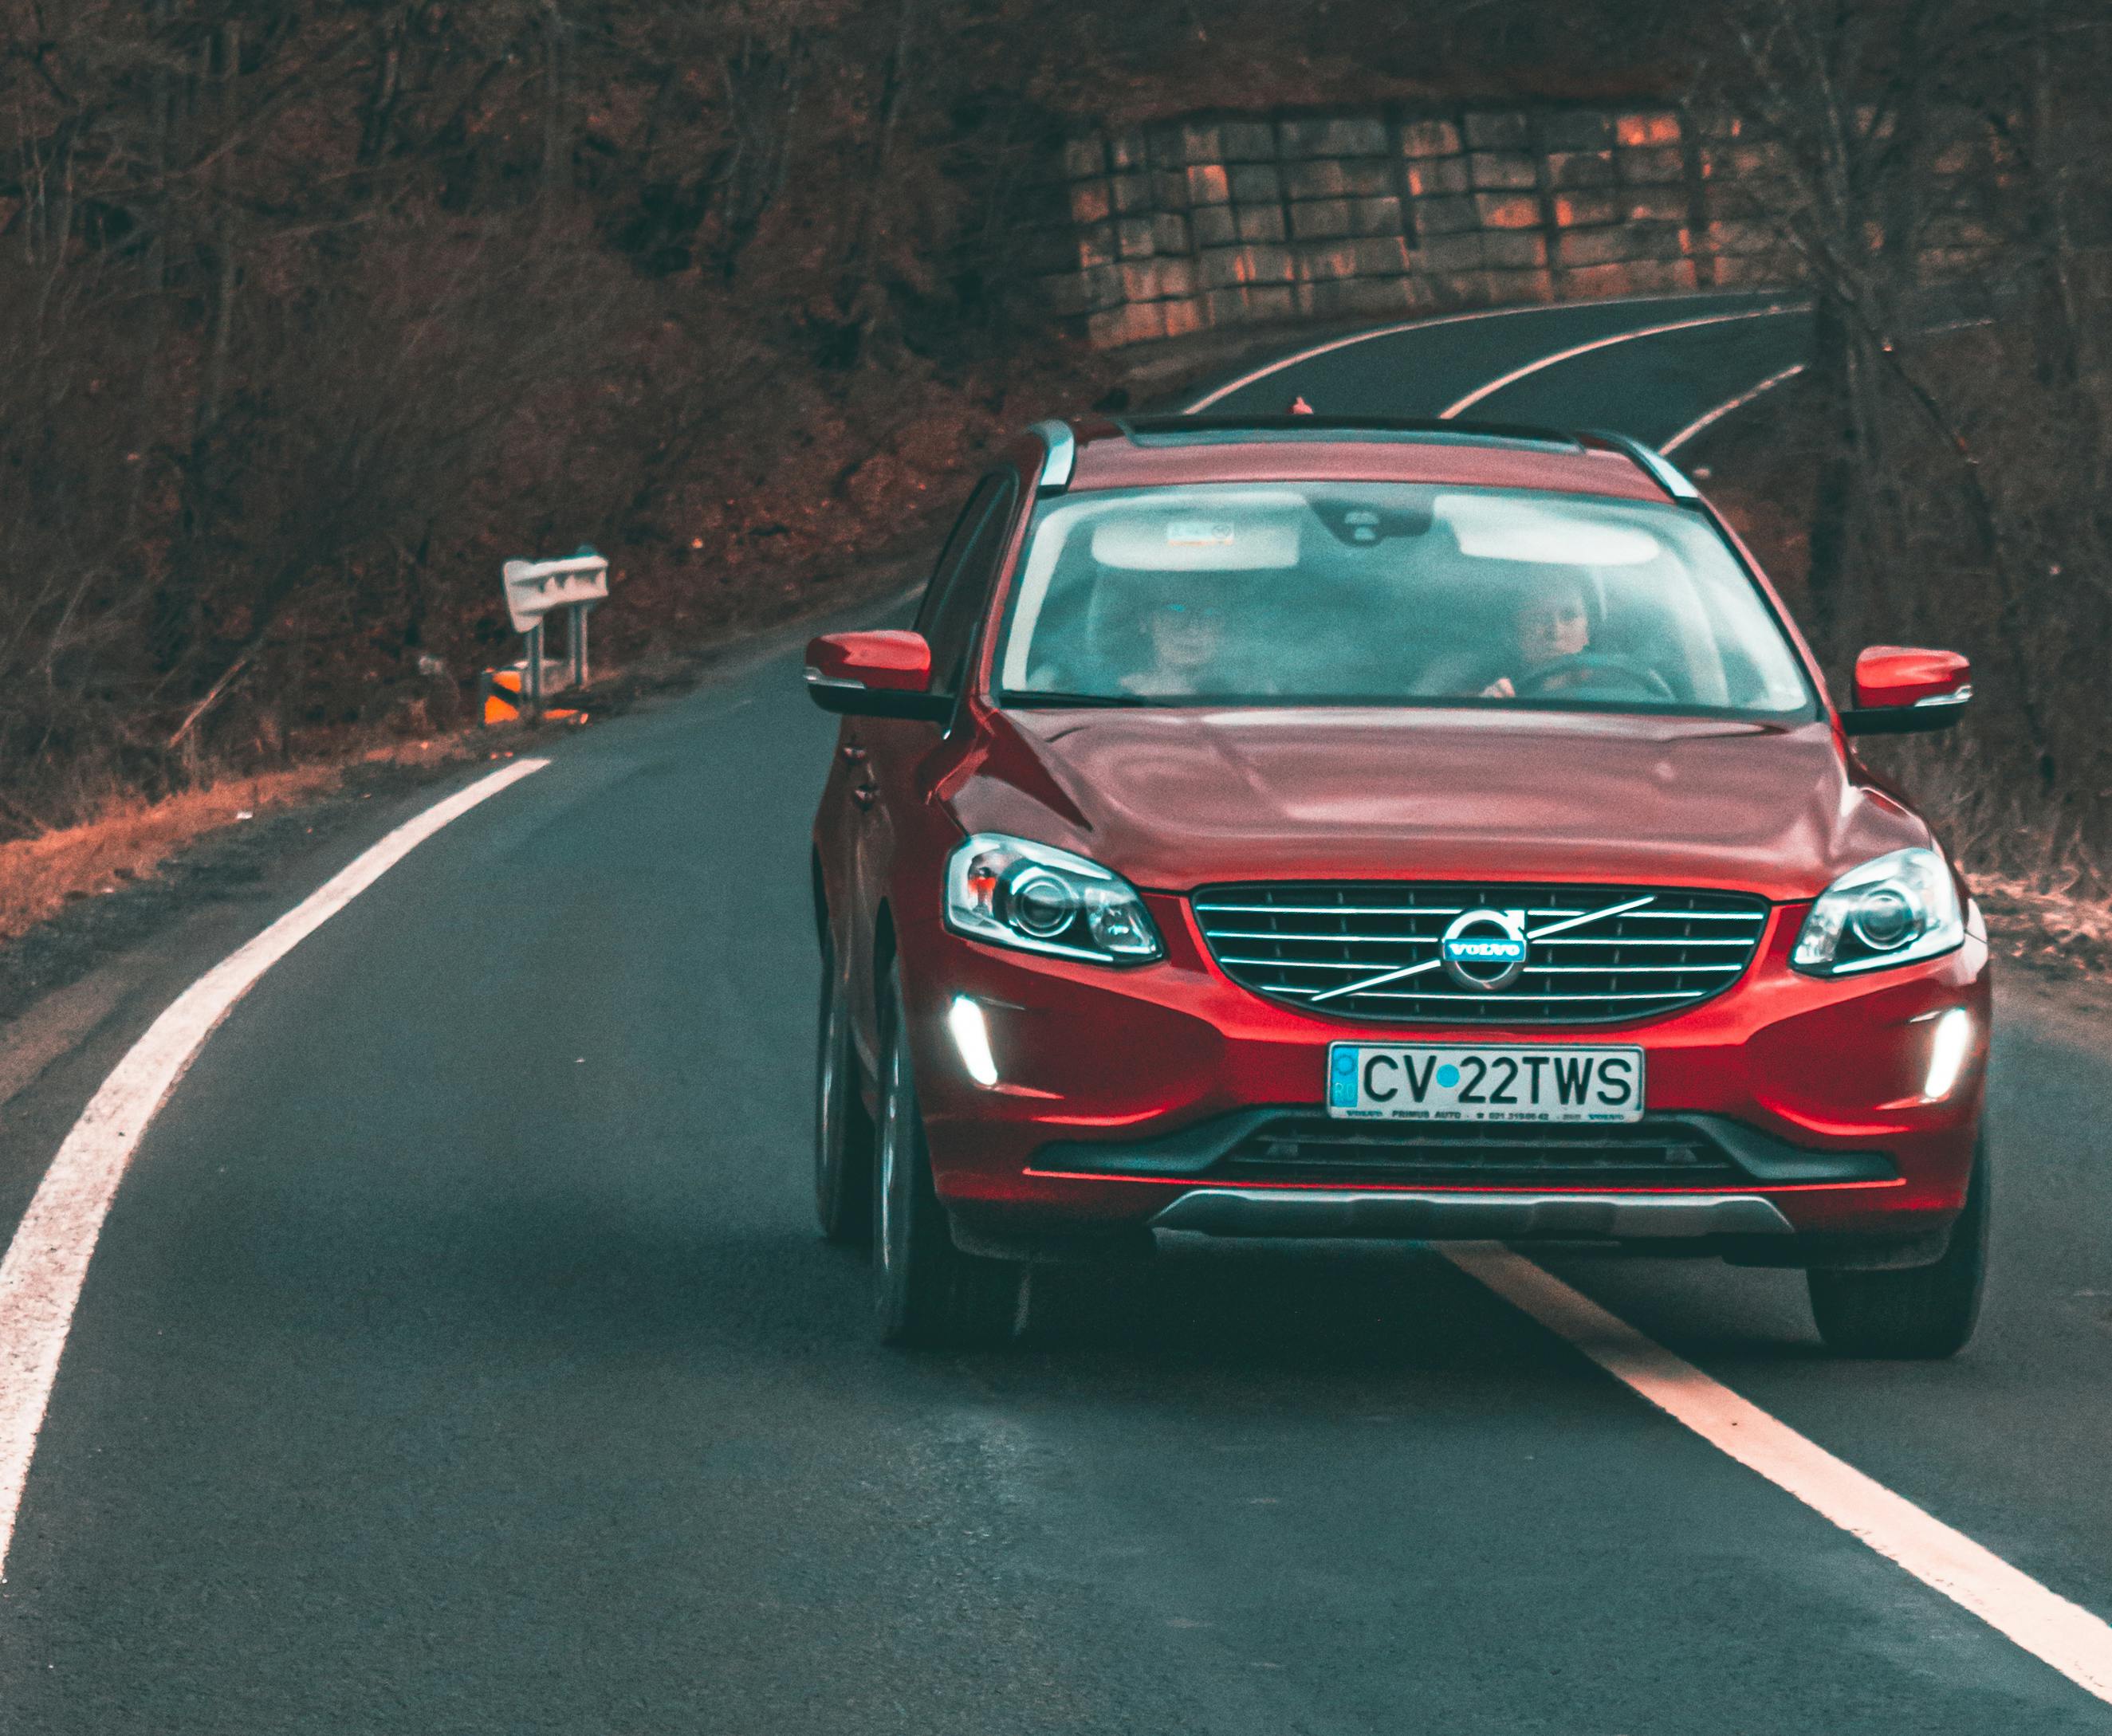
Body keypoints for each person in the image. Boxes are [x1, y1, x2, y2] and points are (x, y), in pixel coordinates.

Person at [1481, 571, 1591, 699]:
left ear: (1587, 631)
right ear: (1518, 630)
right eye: (1539, 617)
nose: (1555, 632)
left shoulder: (1613, 690)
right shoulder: (1479, 692)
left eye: (1569, 616)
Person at [1119, 594, 1229, 697]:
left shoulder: (1237, 698)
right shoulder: (1117, 692)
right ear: (1145, 621)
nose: (1193, 629)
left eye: (1210, 614)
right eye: (1176, 610)